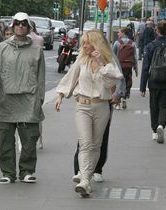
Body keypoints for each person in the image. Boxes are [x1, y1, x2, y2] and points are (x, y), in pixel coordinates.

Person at [55, 29, 123, 197]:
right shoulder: (81, 60)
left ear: (96, 43)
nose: (83, 45)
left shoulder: (107, 62)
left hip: (101, 106)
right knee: (85, 144)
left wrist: (101, 63)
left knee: (96, 145)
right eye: (83, 42)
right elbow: (70, 77)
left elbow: (115, 79)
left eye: (87, 42)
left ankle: (86, 177)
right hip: (82, 106)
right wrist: (61, 95)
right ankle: (85, 180)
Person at [0, 12, 45, 184]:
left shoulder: (37, 50)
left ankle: (26, 171)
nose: (20, 26)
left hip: (29, 99)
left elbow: (40, 78)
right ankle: (8, 172)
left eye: (24, 23)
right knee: (4, 138)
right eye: (17, 23)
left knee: (29, 139)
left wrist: (39, 99)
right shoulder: (1, 48)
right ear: (12, 26)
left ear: (29, 27)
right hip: (5, 100)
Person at [139, 20, 166, 144]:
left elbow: (146, 67)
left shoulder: (150, 46)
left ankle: (154, 131)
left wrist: (142, 87)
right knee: (165, 106)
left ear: (157, 31)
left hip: (154, 81)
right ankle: (161, 125)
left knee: (154, 106)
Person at [112, 27, 138, 110]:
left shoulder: (117, 43)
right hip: (128, 67)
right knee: (127, 82)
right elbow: (134, 56)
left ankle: (118, 102)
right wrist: (136, 68)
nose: (118, 34)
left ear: (123, 33)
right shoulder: (132, 43)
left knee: (119, 83)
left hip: (119, 67)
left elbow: (113, 56)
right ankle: (124, 98)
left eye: (119, 32)